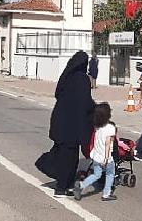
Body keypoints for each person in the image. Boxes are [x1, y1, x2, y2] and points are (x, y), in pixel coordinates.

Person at [48, 51, 95, 197]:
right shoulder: (82, 79)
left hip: (59, 121)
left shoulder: (66, 76)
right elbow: (85, 102)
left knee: (62, 153)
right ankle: (62, 187)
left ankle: (64, 184)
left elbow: (58, 94)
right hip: (72, 126)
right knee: (70, 156)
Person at [73, 103, 117, 202]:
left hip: (96, 156)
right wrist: (106, 158)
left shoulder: (97, 127)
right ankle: (106, 193)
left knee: (96, 174)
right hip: (105, 158)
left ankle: (81, 185)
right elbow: (107, 144)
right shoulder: (110, 128)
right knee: (110, 173)